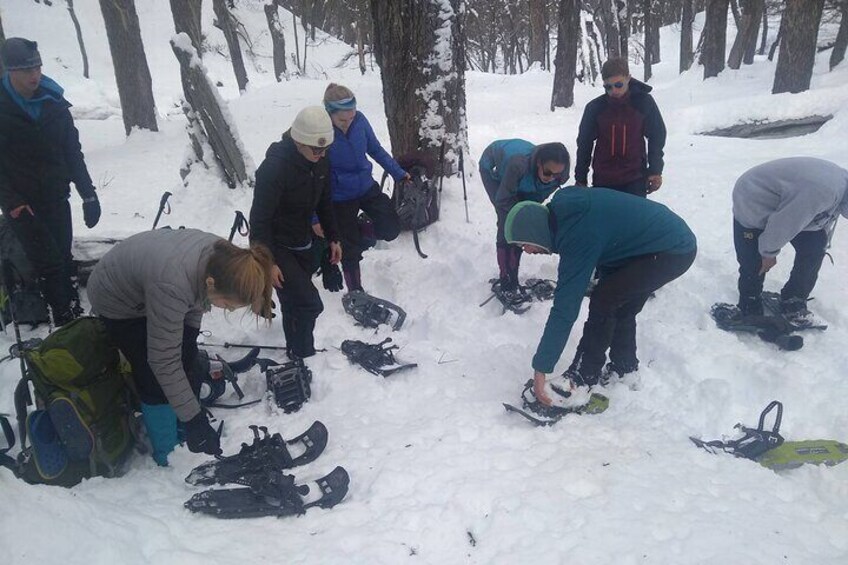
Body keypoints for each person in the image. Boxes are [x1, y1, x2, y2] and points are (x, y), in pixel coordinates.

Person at [87, 228, 276, 466]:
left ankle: (179, 418)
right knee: (151, 374)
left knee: (186, 356)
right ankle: (168, 452)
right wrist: (194, 420)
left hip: (155, 284)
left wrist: (188, 342)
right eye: (227, 304)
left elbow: (198, 298)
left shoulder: (223, 260)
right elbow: (162, 361)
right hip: (117, 300)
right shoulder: (173, 283)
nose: (226, 310)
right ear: (211, 283)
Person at [504, 188, 696, 405]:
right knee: (619, 301)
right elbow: (607, 233)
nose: (527, 251)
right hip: (653, 244)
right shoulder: (565, 217)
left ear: (534, 231)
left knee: (605, 300)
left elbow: (565, 308)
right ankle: (624, 368)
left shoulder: (576, 234)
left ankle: (582, 378)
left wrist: (541, 368)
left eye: (523, 244)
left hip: (671, 249)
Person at [0, 38, 101, 326]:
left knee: (64, 258)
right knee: (50, 264)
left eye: (37, 67)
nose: (34, 75)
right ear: (10, 72)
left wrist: (89, 195)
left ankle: (71, 314)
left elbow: (72, 152)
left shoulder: (54, 102)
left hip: (56, 196)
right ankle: (65, 322)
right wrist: (12, 202)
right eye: (26, 70)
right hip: (22, 204)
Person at [250, 106, 342, 360]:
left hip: (304, 242)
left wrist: (333, 237)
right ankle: (305, 355)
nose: (321, 154)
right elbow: (259, 220)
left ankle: (297, 352)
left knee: (294, 304)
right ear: (299, 141)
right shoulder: (274, 169)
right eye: (316, 149)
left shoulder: (320, 161)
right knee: (310, 303)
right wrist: (267, 262)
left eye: (325, 149)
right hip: (277, 246)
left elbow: (325, 202)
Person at [732, 157, 848, 321]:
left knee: (815, 247)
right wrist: (768, 254)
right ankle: (749, 300)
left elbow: (824, 216)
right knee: (754, 260)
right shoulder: (823, 191)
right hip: (755, 197)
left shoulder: (841, 190)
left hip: (792, 200)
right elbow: (783, 223)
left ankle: (794, 298)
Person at [322, 83, 406, 292]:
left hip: (366, 186)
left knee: (391, 228)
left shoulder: (360, 121)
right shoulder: (321, 129)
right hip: (339, 197)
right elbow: (313, 175)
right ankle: (355, 292)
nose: (348, 123)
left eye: (351, 117)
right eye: (342, 119)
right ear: (329, 113)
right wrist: (315, 216)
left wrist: (399, 173)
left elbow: (376, 150)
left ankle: (358, 231)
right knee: (349, 250)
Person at [479, 139, 570, 292]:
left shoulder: (560, 176)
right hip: (493, 167)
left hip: (523, 178)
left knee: (522, 222)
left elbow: (536, 199)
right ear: (539, 163)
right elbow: (503, 200)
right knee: (506, 221)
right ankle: (506, 278)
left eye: (557, 174)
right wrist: (517, 218)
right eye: (548, 172)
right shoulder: (518, 165)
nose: (551, 178)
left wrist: (526, 218)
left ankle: (513, 274)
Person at [575, 57, 666, 197]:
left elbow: (657, 135)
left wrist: (655, 170)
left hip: (635, 179)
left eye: (619, 85)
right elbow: (584, 143)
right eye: (608, 87)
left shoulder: (643, 103)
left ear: (628, 78)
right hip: (603, 179)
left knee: (634, 219)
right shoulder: (595, 108)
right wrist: (580, 178)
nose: (614, 91)